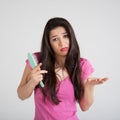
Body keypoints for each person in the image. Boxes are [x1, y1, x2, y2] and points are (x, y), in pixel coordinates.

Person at [17, 17, 108, 120]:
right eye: (55, 39)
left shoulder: (82, 65)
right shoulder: (36, 61)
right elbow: (21, 95)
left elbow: (85, 107)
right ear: (48, 43)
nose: (62, 43)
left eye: (65, 36)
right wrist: (32, 82)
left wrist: (90, 86)